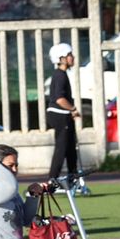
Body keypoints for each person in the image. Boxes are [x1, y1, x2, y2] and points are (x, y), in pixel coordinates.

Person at [44, 43, 87, 194]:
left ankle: (73, 179)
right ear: (61, 58)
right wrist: (73, 109)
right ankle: (51, 180)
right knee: (62, 148)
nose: (72, 57)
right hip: (59, 115)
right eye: (70, 55)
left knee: (70, 149)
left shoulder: (60, 75)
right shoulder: (60, 75)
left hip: (63, 115)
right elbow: (60, 99)